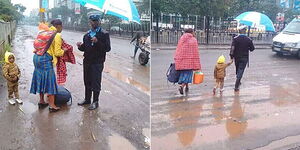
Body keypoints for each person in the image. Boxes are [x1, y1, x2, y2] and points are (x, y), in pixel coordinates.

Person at [76, 14, 111, 110]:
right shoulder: (87, 34)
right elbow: (85, 48)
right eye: (92, 21)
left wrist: (98, 42)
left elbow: (107, 48)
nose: (94, 22)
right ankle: (87, 99)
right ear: (90, 22)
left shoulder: (104, 34)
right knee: (87, 80)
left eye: (96, 21)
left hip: (97, 62)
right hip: (87, 61)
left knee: (96, 82)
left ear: (99, 21)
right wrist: (80, 46)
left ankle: (95, 102)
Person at [30, 19, 65, 112]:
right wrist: (64, 50)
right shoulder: (57, 35)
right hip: (45, 59)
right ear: (58, 26)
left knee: (40, 78)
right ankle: (52, 105)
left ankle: (41, 101)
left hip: (37, 57)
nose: (62, 28)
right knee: (50, 81)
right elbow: (57, 52)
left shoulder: (46, 31)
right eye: (62, 26)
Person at [174, 28, 201, 95]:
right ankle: (182, 86)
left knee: (183, 73)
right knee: (188, 74)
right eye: (194, 32)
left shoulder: (182, 38)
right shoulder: (193, 40)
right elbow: (195, 51)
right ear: (191, 32)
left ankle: (187, 87)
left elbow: (179, 48)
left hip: (181, 59)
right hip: (190, 60)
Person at [230, 26, 255, 92]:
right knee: (240, 70)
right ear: (245, 31)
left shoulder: (235, 39)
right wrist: (248, 47)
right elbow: (252, 49)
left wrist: (231, 57)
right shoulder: (248, 39)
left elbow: (232, 49)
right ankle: (237, 83)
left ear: (239, 31)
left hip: (237, 57)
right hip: (244, 58)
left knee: (238, 69)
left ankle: (237, 82)